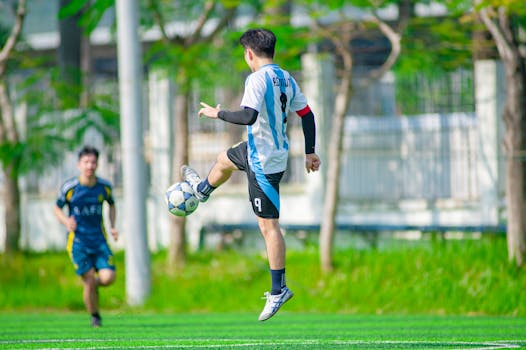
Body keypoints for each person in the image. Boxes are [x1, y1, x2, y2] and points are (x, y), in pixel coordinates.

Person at [182, 28, 321, 321]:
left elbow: (248, 116)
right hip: (266, 150)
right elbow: (306, 114)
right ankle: (202, 191)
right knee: (224, 159)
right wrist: (310, 151)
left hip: (264, 163)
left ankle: (278, 288)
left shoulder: (256, 79)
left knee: (268, 227)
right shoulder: (286, 77)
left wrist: (216, 114)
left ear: (249, 53)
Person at [54, 145, 119, 328]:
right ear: (79, 164)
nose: (90, 165)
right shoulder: (70, 187)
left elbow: (112, 205)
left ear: (97, 164)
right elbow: (56, 207)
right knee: (89, 278)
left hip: (99, 241)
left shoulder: (104, 187)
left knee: (108, 278)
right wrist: (66, 221)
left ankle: (91, 288)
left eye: (93, 162)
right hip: (78, 242)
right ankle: (95, 316)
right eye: (86, 162)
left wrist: (112, 226)